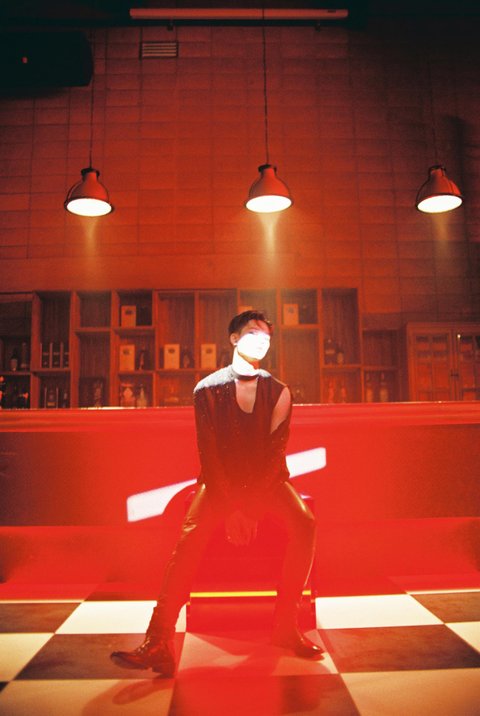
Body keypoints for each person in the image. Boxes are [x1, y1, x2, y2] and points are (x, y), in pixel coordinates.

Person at [111, 309, 323, 675]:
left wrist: (251, 510)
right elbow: (209, 456)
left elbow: (274, 457)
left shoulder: (279, 392)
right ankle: (158, 640)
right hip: (219, 481)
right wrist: (232, 509)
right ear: (234, 338)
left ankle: (286, 626)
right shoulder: (206, 390)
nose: (262, 341)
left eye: (267, 337)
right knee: (190, 534)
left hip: (268, 482)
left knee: (305, 523)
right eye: (254, 332)